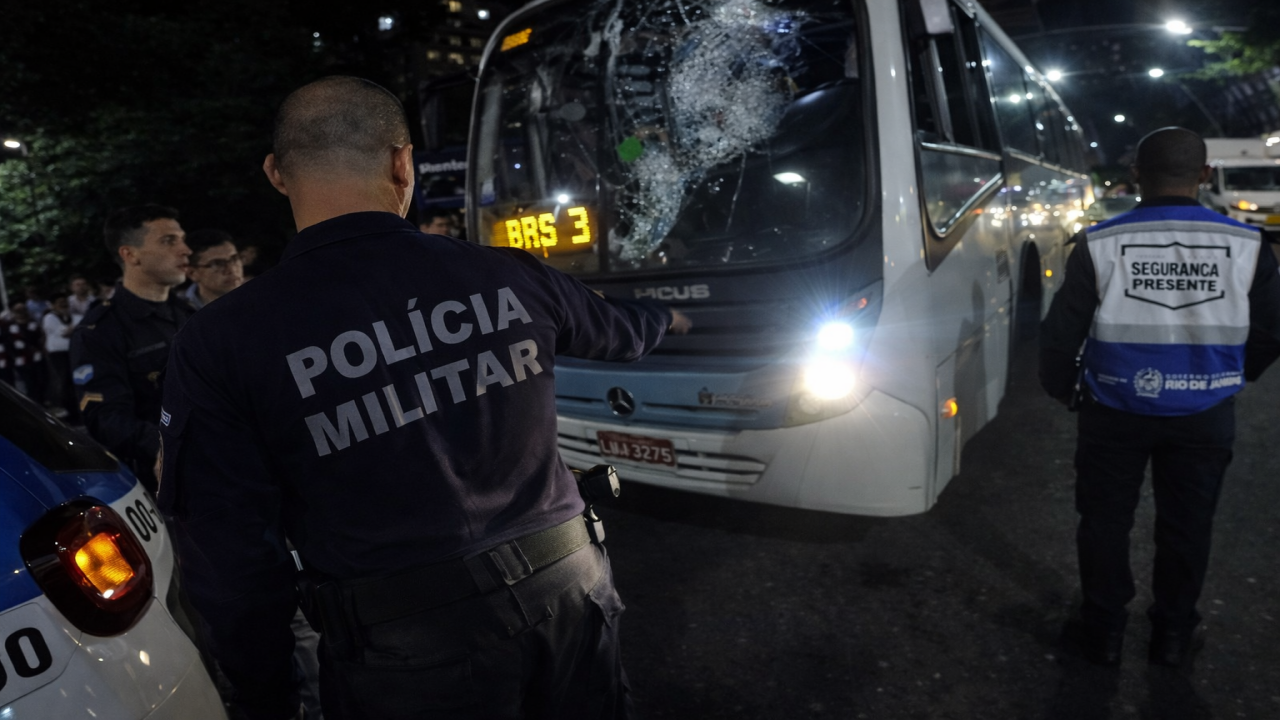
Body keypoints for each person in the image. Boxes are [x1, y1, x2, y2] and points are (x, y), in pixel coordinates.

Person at [157, 75, 691, 720]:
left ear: (276, 173)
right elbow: (621, 333)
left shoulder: (222, 340)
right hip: (571, 598)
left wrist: (265, 694)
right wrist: (668, 317)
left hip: (405, 652)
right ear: (402, 163)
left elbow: (230, 553)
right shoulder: (507, 272)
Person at [1040, 127, 1280, 668]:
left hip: (1113, 408)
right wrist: (1230, 376)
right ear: (1204, 175)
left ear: (1136, 176)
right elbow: (1272, 330)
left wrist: (1063, 389)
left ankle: (1102, 632)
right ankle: (1172, 635)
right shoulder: (1248, 245)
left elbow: (1060, 334)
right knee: (1188, 525)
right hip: (1205, 413)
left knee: (1104, 521)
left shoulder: (1100, 242)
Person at [71, 204, 193, 491]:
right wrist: (164, 444)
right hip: (164, 480)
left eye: (182, 239)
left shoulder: (188, 312)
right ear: (130, 254)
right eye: (169, 241)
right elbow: (106, 418)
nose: (185, 250)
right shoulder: (100, 331)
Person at [183, 229, 246, 310]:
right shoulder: (178, 311)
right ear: (192, 273)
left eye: (234, 259)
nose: (232, 269)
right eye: (217, 264)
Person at [42, 295, 79, 420]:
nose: (63, 305)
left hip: (73, 352)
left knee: (75, 380)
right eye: (60, 302)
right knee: (64, 379)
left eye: (65, 302)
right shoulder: (49, 318)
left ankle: (76, 409)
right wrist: (76, 327)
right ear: (53, 305)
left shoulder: (72, 316)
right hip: (58, 354)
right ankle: (66, 408)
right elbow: (63, 332)